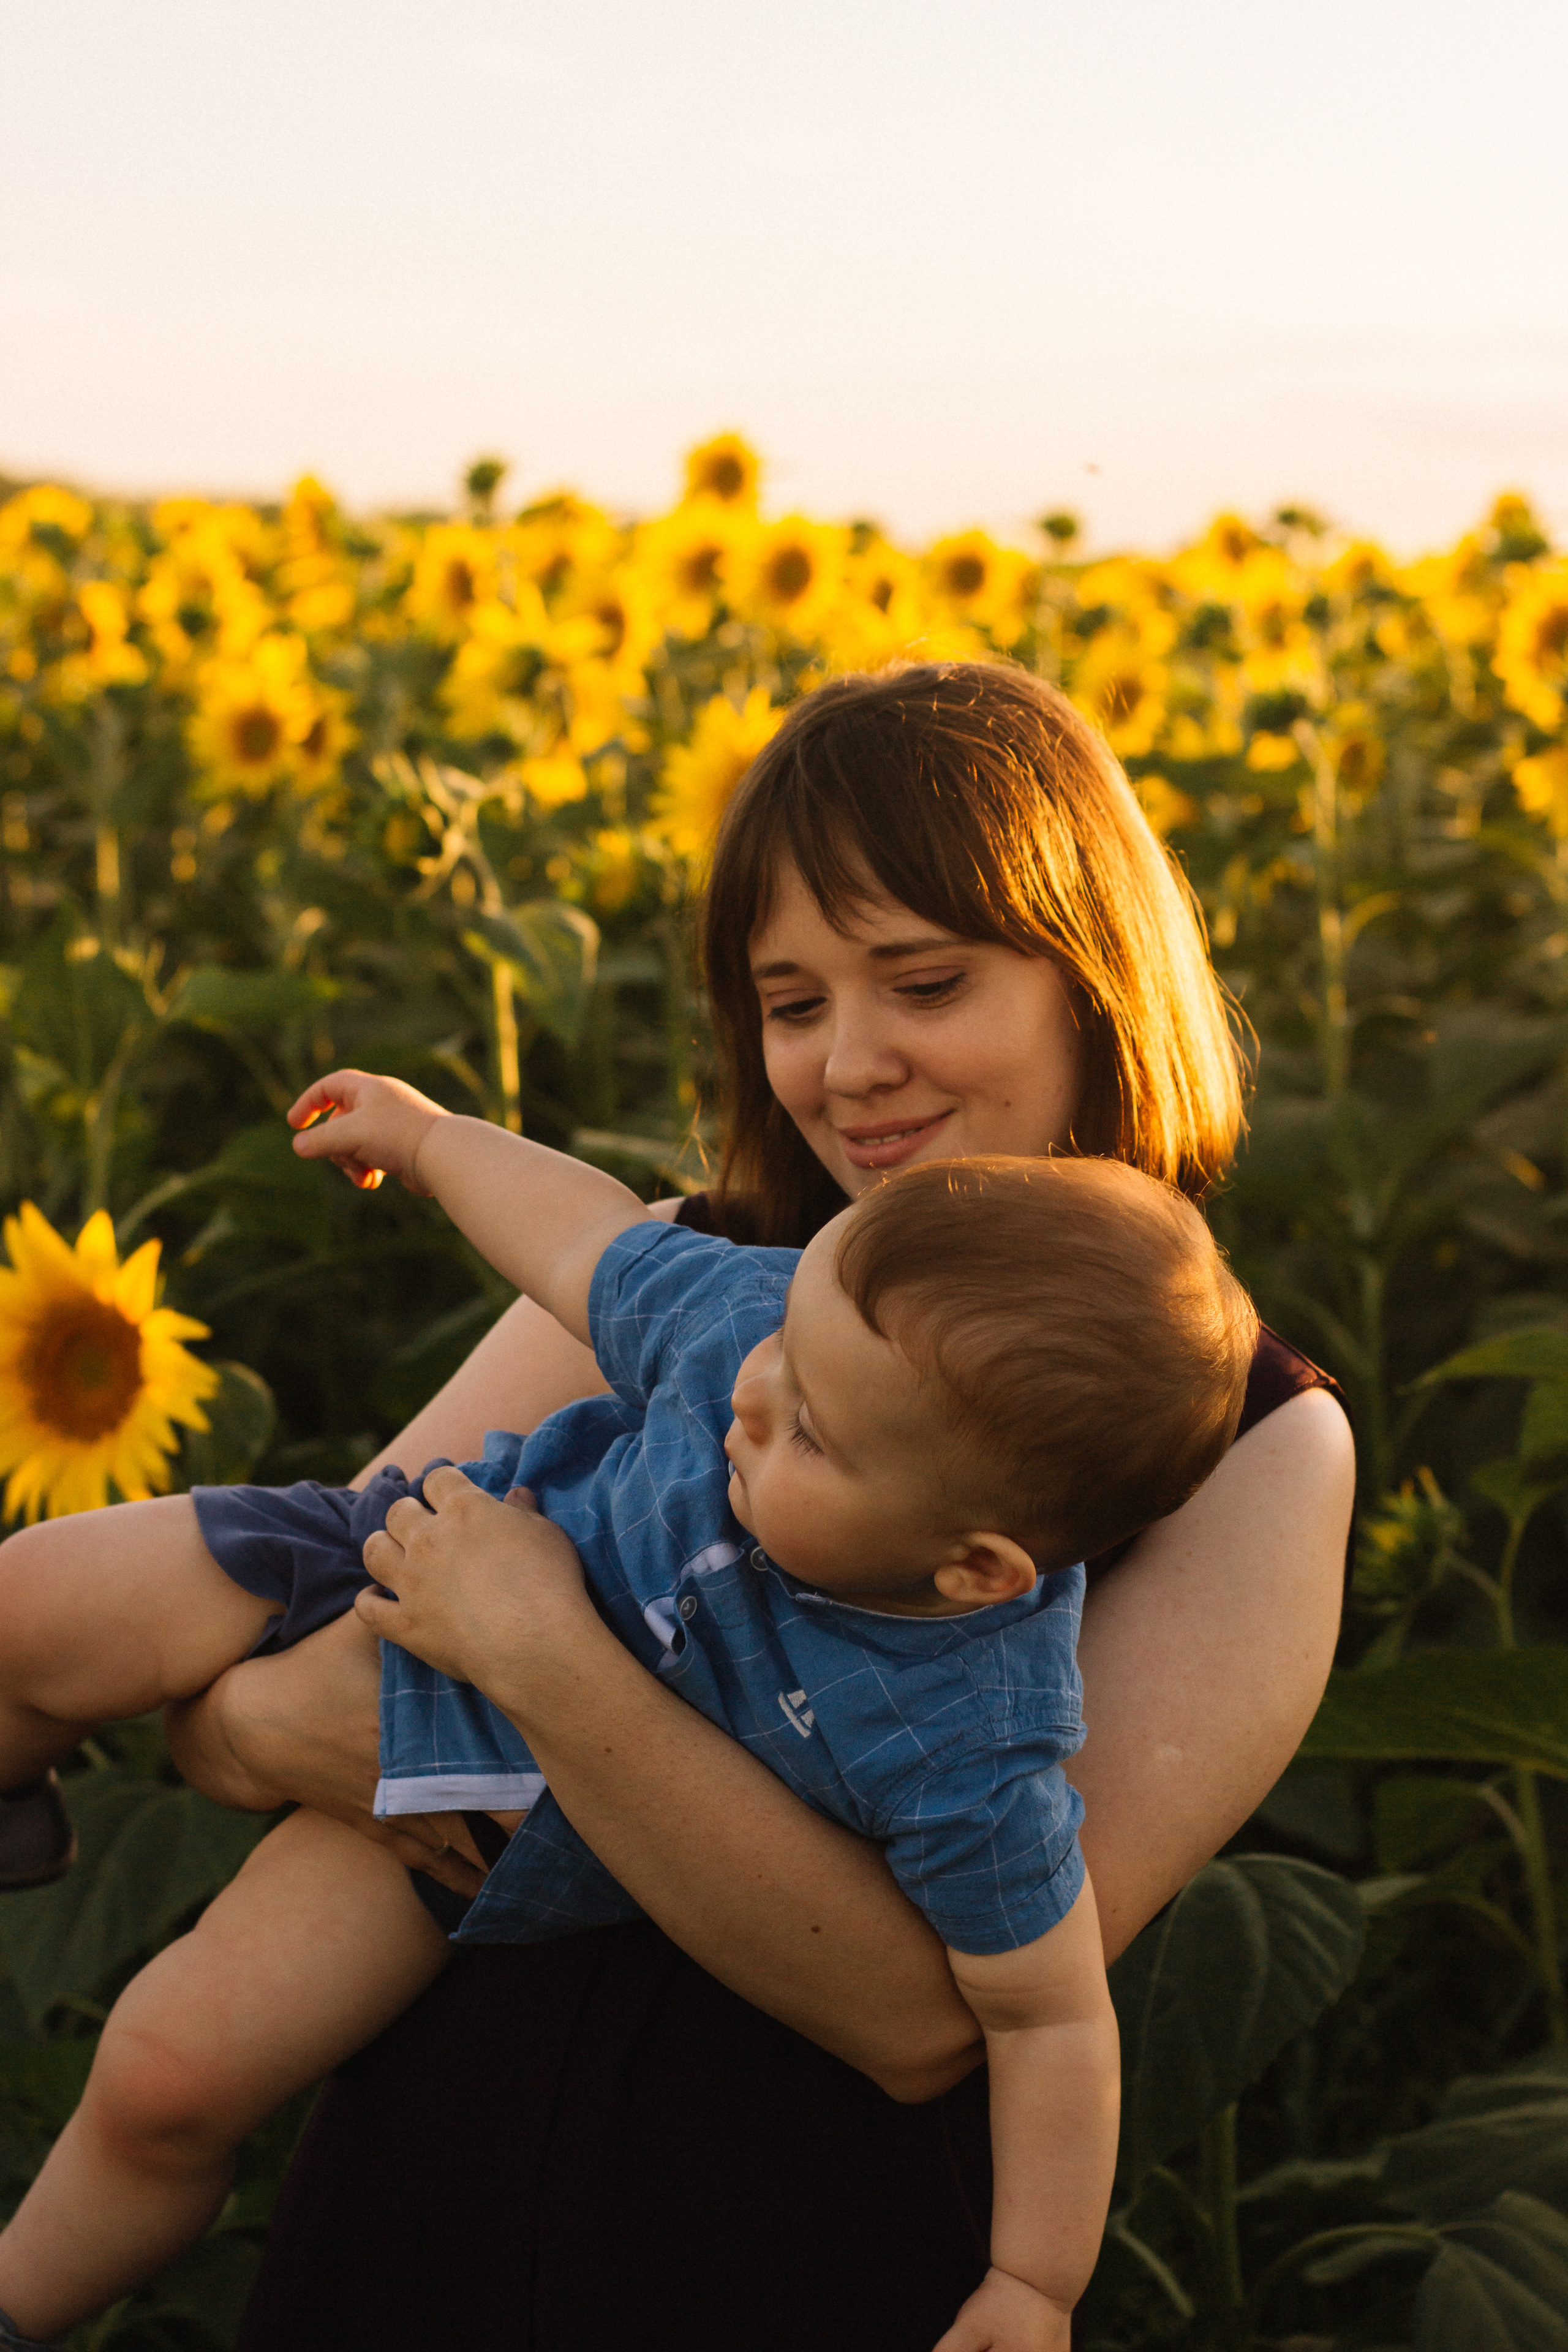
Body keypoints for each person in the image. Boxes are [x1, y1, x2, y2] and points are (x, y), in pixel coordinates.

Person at [157, 660, 1351, 2351]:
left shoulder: (1245, 1449)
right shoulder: (675, 1276)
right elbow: (240, 1708)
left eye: (924, 983)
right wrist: (328, 1717)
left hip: (786, 2246)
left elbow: (925, 2010)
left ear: (1093, 978)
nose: (851, 1065)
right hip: (433, 2180)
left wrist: (531, 1676)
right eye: (793, 1005)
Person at [0, 1087, 1255, 2350]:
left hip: (471, 1810)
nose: (750, 1397)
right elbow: (578, 1239)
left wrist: (1033, 2283)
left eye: (809, 1437)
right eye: (782, 1341)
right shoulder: (769, 1334)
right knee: (29, 1605)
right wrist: (432, 1142)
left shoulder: (967, 1736)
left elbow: (1042, 2014)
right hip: (419, 1537)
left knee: (166, 2078)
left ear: (975, 1569)